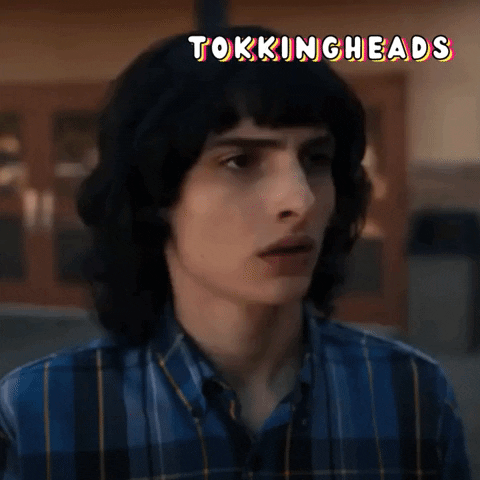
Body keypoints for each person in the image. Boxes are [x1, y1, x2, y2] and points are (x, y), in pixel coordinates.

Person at [0, 25, 471, 479]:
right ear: (154, 191)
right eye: (240, 161)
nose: (300, 199)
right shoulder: (42, 414)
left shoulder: (411, 395)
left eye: (316, 159)